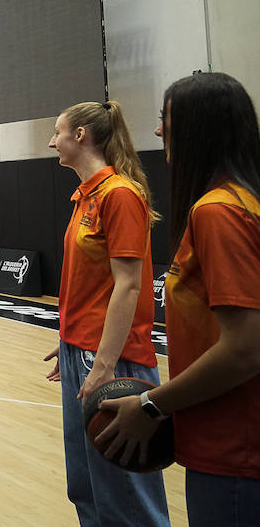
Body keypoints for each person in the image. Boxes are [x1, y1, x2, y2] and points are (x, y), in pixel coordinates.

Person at [96, 73, 260, 526]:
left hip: (234, 453)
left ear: (198, 127)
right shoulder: (243, 201)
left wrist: (154, 404)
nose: (158, 131)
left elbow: (246, 348)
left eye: (166, 119)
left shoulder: (218, 212)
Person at [40, 100, 169, 527]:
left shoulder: (119, 195)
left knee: (126, 494)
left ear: (81, 135)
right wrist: (70, 342)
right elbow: (89, 285)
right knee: (86, 485)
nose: (51, 141)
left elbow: (128, 285)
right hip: (80, 350)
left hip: (112, 359)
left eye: (57, 132)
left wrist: (103, 363)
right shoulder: (85, 196)